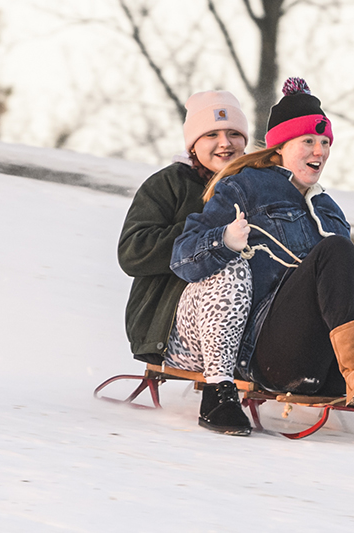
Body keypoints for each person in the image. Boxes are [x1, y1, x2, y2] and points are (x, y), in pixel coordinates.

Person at [171, 78, 354, 437]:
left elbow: (351, 291)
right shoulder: (245, 187)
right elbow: (182, 258)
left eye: (325, 142)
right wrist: (224, 239)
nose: (320, 151)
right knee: (336, 251)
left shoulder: (329, 209)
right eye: (309, 141)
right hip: (272, 354)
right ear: (282, 146)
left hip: (329, 362)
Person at [118, 90, 254, 435]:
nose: (225, 143)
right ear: (193, 143)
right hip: (169, 324)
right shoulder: (169, 184)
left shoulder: (255, 185)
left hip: (245, 319)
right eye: (212, 134)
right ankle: (217, 394)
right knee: (224, 260)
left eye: (234, 134)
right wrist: (202, 231)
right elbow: (132, 250)